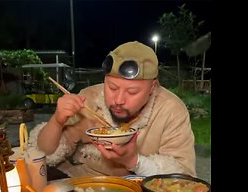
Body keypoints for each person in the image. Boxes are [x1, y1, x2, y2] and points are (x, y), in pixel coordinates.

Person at [28, 41, 196, 179]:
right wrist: (57, 121)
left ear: (153, 87)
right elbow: (43, 154)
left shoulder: (171, 110)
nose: (118, 100)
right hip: (81, 182)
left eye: (132, 92)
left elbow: (182, 177)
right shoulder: (88, 99)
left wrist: (133, 161)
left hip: (141, 189)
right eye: (112, 87)